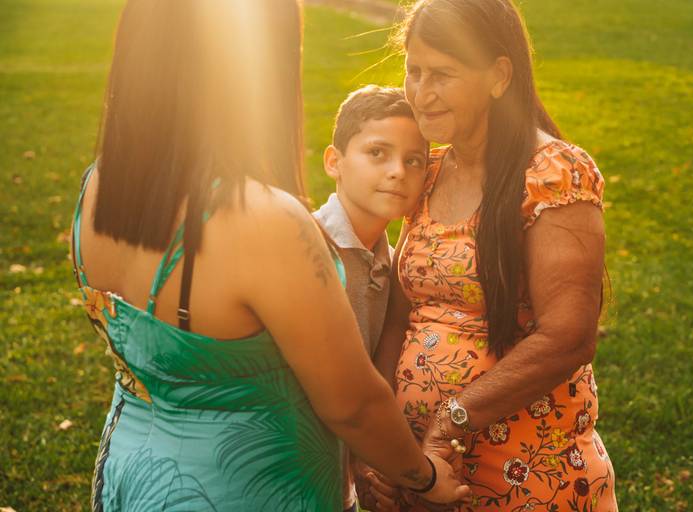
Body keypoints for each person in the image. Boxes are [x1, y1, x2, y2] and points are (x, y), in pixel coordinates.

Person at [70, 1, 470, 510]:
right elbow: (353, 405)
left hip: (129, 475)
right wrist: (424, 476)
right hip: (238, 491)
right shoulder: (264, 221)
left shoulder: (98, 187)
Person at [371, 0, 619, 510]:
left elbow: (568, 337)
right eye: (413, 71)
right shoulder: (429, 169)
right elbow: (401, 315)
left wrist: (448, 422)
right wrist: (384, 446)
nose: (421, 93)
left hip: (527, 474)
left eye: (442, 74)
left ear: (499, 76)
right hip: (424, 473)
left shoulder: (552, 173)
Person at [313, 85, 430, 511]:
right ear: (335, 162)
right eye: (377, 153)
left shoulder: (399, 266)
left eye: (413, 160)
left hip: (339, 477)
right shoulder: (307, 248)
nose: (398, 171)